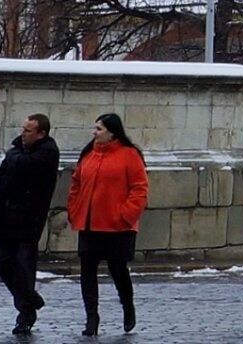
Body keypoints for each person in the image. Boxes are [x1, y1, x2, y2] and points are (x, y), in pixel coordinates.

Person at [66, 113, 148, 338]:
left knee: (118, 269)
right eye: (95, 128)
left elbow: (139, 189)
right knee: (87, 271)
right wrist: (74, 210)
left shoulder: (130, 155)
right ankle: (91, 317)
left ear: (112, 132)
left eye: (99, 129)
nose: (95, 132)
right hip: (90, 223)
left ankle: (127, 306)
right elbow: (76, 183)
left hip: (118, 226)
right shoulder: (88, 154)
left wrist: (126, 215)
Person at [0, 111, 60, 337]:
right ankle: (30, 298)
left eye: (28, 131)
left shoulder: (47, 152)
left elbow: (26, 166)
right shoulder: (16, 152)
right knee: (3, 263)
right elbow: (3, 177)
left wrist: (13, 157)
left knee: (23, 266)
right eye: (22, 129)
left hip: (29, 219)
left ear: (41, 134)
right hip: (6, 217)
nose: (23, 134)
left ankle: (26, 313)